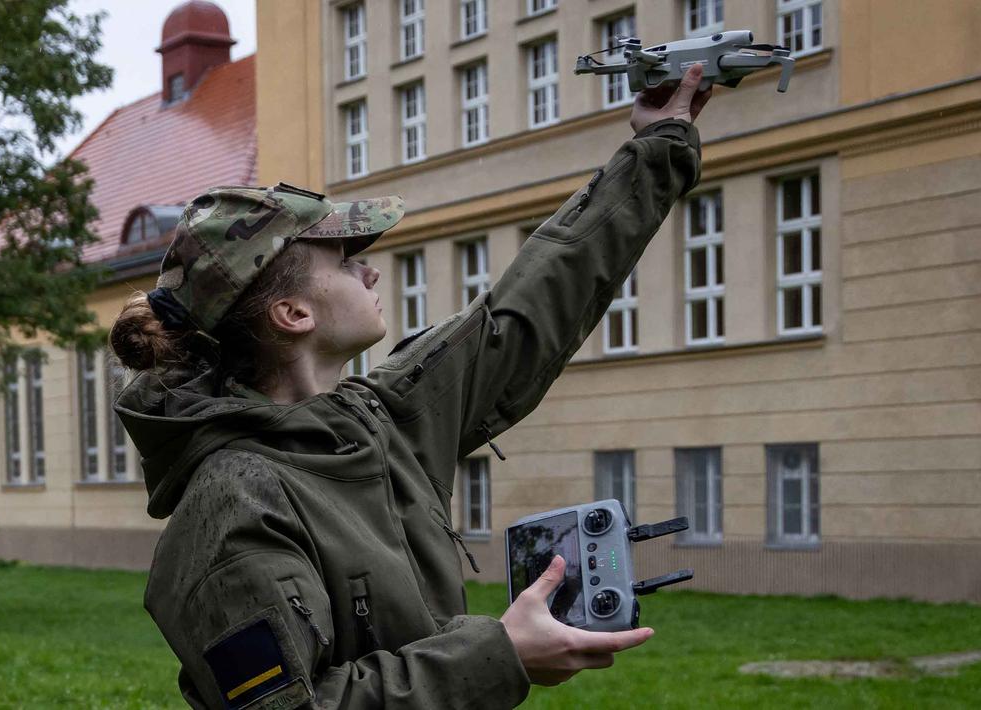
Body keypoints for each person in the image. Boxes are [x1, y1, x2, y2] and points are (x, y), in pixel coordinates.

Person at [112, 66, 711, 709]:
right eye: (344, 260)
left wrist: (656, 147)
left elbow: (527, 309)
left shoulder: (378, 419)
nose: (369, 271)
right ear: (293, 315)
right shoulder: (232, 506)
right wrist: (500, 655)